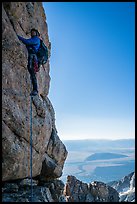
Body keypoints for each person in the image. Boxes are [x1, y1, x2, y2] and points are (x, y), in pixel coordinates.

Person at [17, 28, 40, 96]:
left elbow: (27, 42)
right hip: (32, 57)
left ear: (36, 33)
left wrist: (17, 36)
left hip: (33, 57)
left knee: (32, 72)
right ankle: (34, 89)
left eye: (33, 32)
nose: (32, 33)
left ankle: (35, 90)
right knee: (31, 72)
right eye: (31, 32)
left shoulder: (36, 39)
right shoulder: (34, 39)